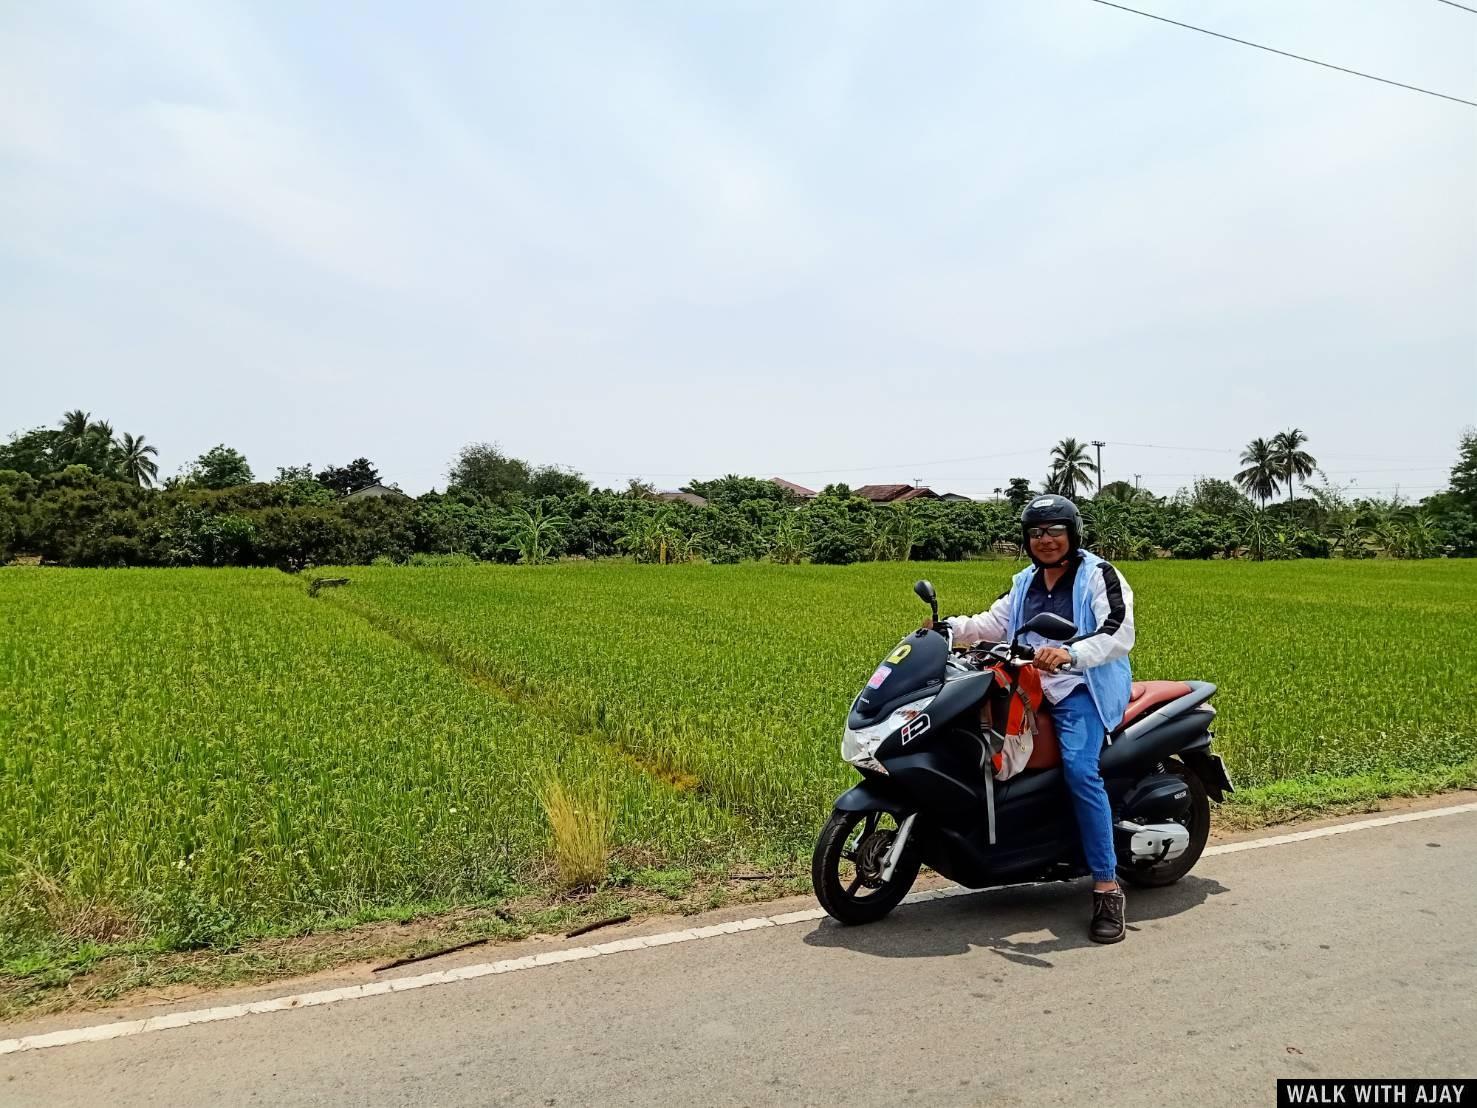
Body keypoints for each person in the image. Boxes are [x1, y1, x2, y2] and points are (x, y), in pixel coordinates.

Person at [937, 494, 1136, 944]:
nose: (1046, 540)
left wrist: (1070, 653)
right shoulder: (1025, 580)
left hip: (1080, 687)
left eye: (1055, 531)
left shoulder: (1098, 575)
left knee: (1081, 771)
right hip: (1026, 684)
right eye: (1037, 533)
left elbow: (1117, 632)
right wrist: (947, 629)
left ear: (1073, 534)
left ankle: (1106, 887)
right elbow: (994, 621)